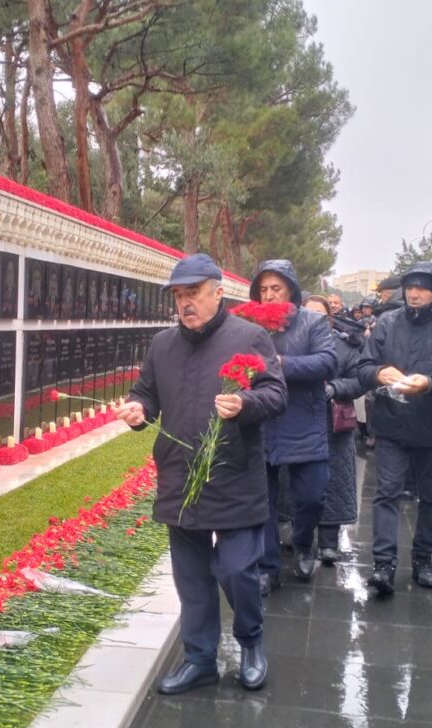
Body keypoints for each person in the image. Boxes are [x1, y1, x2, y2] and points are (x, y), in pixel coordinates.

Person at [118, 253, 287, 694]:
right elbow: (146, 394)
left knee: (235, 570)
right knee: (191, 579)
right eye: (178, 295)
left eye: (193, 292)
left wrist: (245, 404)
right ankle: (199, 659)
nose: (185, 303)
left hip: (234, 478)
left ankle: (251, 642)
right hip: (180, 478)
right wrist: (138, 410)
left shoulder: (249, 337)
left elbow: (276, 394)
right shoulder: (163, 345)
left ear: (218, 292)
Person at [353, 262, 432, 596]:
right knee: (387, 493)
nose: (414, 294)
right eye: (409, 287)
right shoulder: (388, 322)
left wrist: (430, 383)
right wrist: (378, 373)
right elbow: (363, 366)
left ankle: (423, 558)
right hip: (392, 424)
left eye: (421, 287)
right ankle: (383, 564)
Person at [250, 261, 338, 593]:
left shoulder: (313, 322)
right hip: (263, 423)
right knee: (263, 501)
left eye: (276, 288)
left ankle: (302, 544)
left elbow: (328, 362)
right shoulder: (251, 325)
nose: (269, 295)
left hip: (303, 422)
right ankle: (267, 567)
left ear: (291, 290)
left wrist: (280, 364)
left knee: (312, 497)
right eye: (263, 289)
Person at [305, 295, 367, 565]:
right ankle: (301, 536)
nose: (313, 320)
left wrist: (335, 388)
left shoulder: (344, 345)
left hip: (334, 425)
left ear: (329, 318)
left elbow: (359, 380)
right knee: (301, 483)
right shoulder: (292, 342)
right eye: (307, 313)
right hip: (300, 422)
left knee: (334, 481)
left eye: (320, 315)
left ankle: (328, 542)